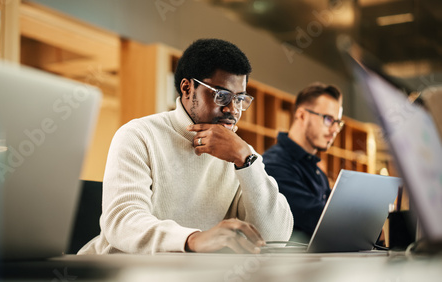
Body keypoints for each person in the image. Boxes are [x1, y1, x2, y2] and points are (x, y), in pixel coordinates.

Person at [77, 38, 293, 255]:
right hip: (121, 271)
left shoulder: (240, 155)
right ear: (188, 88)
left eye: (239, 99)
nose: (233, 110)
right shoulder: (138, 136)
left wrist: (247, 161)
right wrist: (192, 239)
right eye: (222, 96)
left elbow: (275, 237)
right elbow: (123, 222)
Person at [262, 82, 344, 243]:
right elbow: (318, 219)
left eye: (338, 123)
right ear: (301, 115)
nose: (335, 130)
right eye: (328, 119)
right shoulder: (273, 164)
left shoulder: (316, 169)